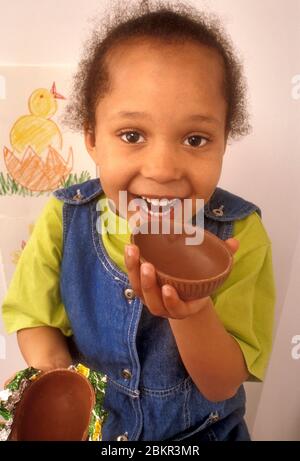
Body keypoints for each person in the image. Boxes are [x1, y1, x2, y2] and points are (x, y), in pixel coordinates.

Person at [2, 0, 276, 441]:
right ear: (92, 137)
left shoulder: (240, 234)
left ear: (224, 141)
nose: (163, 168)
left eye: (195, 138)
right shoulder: (65, 217)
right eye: (132, 135)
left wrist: (192, 312)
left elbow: (222, 383)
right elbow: (33, 316)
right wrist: (57, 387)